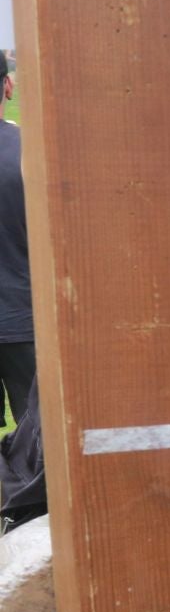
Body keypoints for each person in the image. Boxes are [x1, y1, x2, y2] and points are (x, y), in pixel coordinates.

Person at [0, 57, 33, 426]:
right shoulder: (34, 151)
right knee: (36, 440)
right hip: (25, 317)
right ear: (8, 86)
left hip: (23, 317)